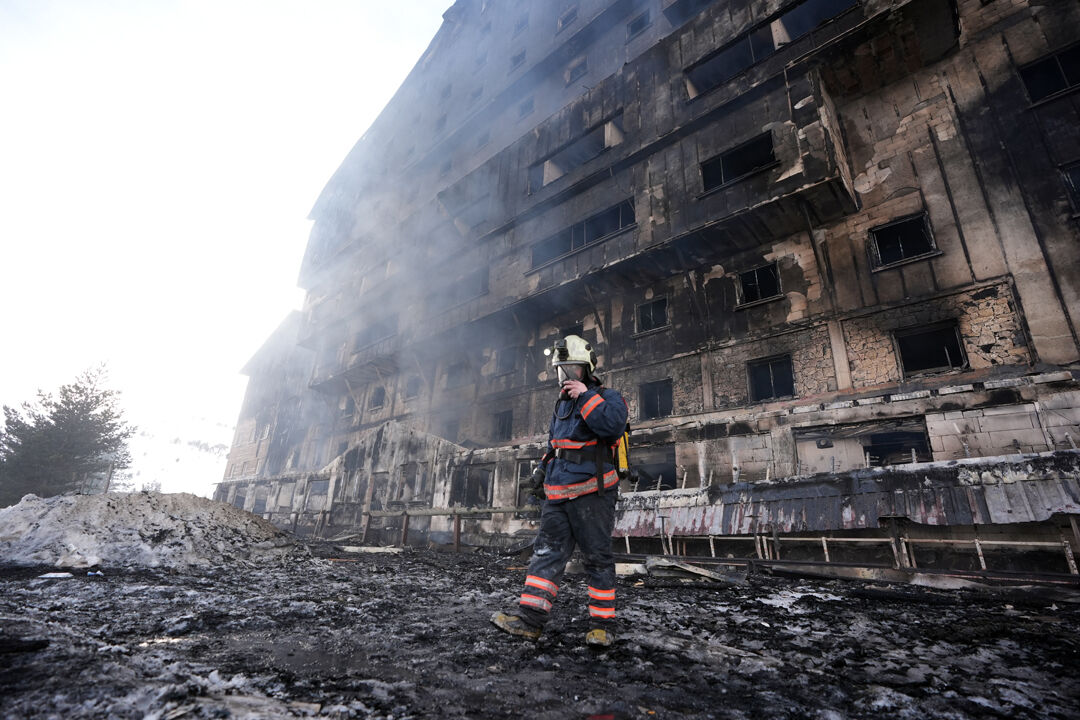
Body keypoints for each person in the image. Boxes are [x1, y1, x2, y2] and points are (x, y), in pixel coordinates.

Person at [491, 334, 627, 647]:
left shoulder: (608, 397)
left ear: (587, 370)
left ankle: (602, 628)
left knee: (597, 559)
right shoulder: (561, 407)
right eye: (561, 370)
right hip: (558, 494)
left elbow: (611, 427)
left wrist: (585, 396)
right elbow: (555, 446)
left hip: (593, 493)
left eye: (572, 370)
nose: (565, 377)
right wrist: (540, 472)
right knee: (545, 555)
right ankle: (529, 622)